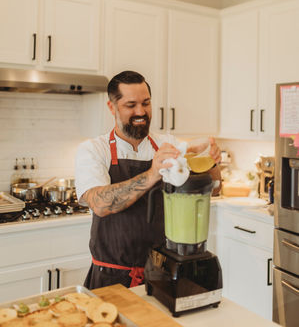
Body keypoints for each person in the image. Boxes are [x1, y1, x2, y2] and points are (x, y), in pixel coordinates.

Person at [75, 70, 221, 290]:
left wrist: (213, 162)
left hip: (163, 272)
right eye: (131, 105)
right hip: (112, 277)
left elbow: (215, 189)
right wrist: (153, 173)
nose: (141, 111)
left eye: (146, 103)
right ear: (112, 107)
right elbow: (100, 204)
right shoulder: (94, 149)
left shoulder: (168, 145)